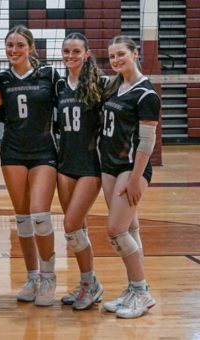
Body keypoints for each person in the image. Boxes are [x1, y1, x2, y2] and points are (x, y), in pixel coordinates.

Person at [0, 25, 60, 306]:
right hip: (12, 152)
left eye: (20, 45)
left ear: (31, 48)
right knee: (22, 218)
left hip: (43, 152)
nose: (14, 50)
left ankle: (48, 277)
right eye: (10, 45)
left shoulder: (48, 75)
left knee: (39, 215)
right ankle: (33, 276)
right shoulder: (2, 79)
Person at [99, 35, 158, 319]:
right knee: (130, 229)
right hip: (109, 165)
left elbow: (147, 143)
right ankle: (135, 290)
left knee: (116, 230)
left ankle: (142, 291)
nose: (116, 60)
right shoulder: (114, 86)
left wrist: (135, 179)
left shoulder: (146, 94)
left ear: (135, 54)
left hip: (131, 167)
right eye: (112, 56)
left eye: (121, 54)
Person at [55, 32, 106, 310]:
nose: (70, 56)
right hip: (65, 164)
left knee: (70, 226)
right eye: (66, 52)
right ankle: (87, 283)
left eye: (76, 51)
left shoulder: (101, 84)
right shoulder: (59, 85)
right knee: (78, 229)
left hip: (90, 165)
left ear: (87, 53)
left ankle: (91, 284)